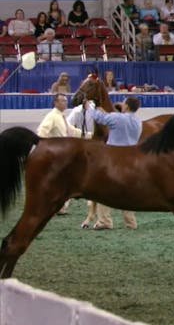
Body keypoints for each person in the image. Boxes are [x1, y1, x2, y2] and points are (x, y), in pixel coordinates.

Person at [86, 97, 142, 230]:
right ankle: (131, 223)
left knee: (103, 191)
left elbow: (100, 118)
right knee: (127, 193)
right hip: (131, 161)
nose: (121, 104)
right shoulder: (138, 122)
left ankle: (104, 221)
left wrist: (90, 107)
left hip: (114, 160)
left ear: (127, 106)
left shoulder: (117, 118)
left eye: (123, 103)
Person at [37, 93, 91, 215]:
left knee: (63, 182)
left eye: (66, 101)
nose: (65, 103)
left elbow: (71, 131)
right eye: (62, 101)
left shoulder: (61, 117)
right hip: (55, 156)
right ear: (56, 102)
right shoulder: (52, 116)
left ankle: (59, 206)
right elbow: (42, 132)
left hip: (63, 156)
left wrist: (90, 135)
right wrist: (46, 149)